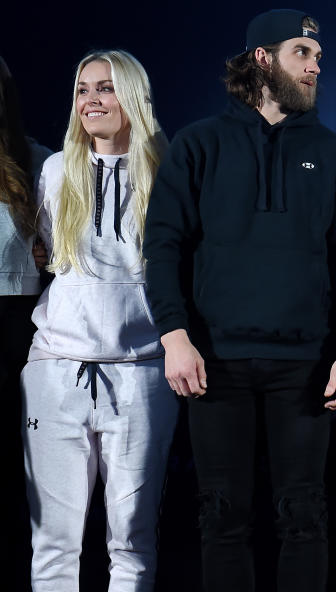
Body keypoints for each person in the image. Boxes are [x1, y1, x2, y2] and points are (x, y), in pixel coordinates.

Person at [143, 9, 336, 592]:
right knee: (222, 518)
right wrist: (174, 336)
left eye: (319, 57)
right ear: (262, 59)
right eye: (303, 52)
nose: (316, 66)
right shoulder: (198, 145)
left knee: (305, 518)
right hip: (212, 364)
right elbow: (164, 248)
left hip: (305, 366)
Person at [21, 49, 178, 591]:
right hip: (56, 370)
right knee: (54, 543)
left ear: (132, 96)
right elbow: (47, 253)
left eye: (105, 88)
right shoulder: (56, 169)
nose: (91, 100)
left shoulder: (169, 171)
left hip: (141, 373)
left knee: (133, 542)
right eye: (83, 90)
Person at [0, 54, 52, 590]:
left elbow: (67, 237)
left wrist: (49, 256)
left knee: (22, 460)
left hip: (16, 316)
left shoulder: (33, 158)